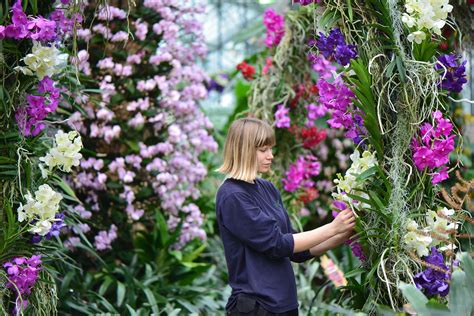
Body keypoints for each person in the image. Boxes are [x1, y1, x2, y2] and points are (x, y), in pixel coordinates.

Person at [215, 118, 356, 316]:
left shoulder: (267, 188)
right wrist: (333, 227)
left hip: (285, 305)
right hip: (257, 307)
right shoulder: (233, 196)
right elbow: (277, 244)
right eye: (263, 150)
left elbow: (295, 250)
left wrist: (343, 233)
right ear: (243, 149)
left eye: (271, 149)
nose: (271, 156)